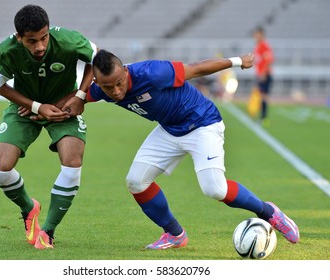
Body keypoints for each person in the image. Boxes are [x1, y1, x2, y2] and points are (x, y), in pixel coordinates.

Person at [62, 49, 299, 250]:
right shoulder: (100, 89)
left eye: (119, 83)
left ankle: (268, 212)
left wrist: (237, 62)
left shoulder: (153, 73)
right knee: (135, 181)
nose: (115, 91)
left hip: (202, 123)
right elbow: (75, 98)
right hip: (170, 129)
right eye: (107, 87)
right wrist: (39, 108)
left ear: (125, 71)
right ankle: (175, 234)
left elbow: (196, 68)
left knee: (214, 189)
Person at [0, 4, 97, 249]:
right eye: (31, 41)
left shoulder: (69, 40)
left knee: (72, 161)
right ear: (19, 38)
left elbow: (97, 60)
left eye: (44, 38)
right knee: (1, 169)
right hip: (24, 108)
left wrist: (79, 96)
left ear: (49, 31)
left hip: (63, 108)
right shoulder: (7, 50)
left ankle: (47, 231)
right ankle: (29, 209)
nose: (39, 46)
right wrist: (36, 106)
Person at [253, 26, 274, 124]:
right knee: (261, 95)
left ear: (261, 34)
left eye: (257, 34)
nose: (255, 36)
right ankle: (262, 116)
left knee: (264, 96)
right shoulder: (258, 46)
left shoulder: (264, 46)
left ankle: (264, 117)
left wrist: (263, 73)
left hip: (265, 75)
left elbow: (268, 60)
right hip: (260, 74)